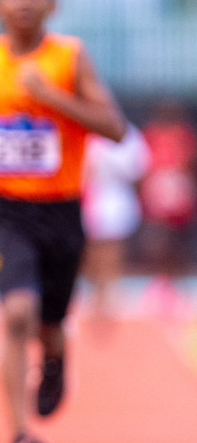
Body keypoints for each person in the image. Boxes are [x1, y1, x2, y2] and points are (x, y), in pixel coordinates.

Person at [0, 0, 125, 443]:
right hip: (6, 210)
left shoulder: (69, 57)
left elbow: (116, 128)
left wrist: (52, 97)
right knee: (15, 313)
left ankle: (55, 356)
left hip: (60, 211)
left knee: (49, 322)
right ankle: (20, 440)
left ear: (52, 3)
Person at [81, 124, 149, 327]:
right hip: (88, 200)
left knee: (112, 253)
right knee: (90, 255)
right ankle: (95, 296)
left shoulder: (127, 135)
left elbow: (138, 171)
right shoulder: (85, 131)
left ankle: (110, 297)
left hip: (114, 202)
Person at [139, 99, 197, 317]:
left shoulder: (183, 134)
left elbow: (190, 163)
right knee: (157, 241)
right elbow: (144, 163)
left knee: (178, 243)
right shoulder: (152, 133)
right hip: (158, 192)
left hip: (178, 193)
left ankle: (177, 286)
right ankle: (159, 284)